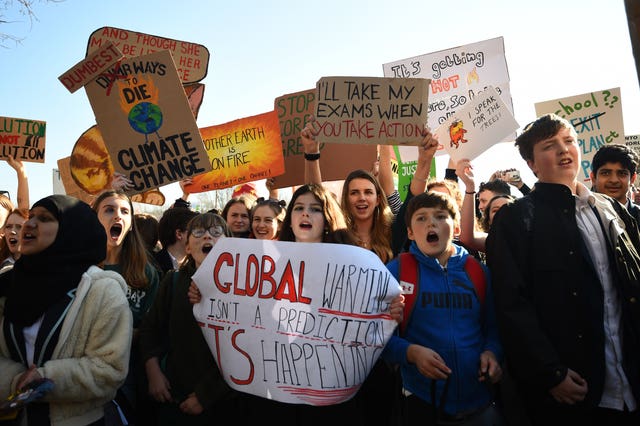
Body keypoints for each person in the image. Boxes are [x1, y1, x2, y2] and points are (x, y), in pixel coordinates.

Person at [486, 113, 640, 425]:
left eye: (568, 140)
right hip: (574, 388)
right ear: (532, 163)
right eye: (549, 145)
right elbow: (511, 305)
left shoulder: (607, 208)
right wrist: (549, 373)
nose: (562, 149)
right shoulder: (515, 218)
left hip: (628, 379)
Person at [0, 194, 132, 425]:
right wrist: (15, 380)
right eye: (30, 216)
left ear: (70, 230)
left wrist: (47, 378)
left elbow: (109, 369)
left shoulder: (102, 291)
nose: (29, 224)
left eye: (44, 218)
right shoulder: (6, 284)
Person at [382, 191, 503, 424]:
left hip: (480, 403)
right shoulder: (396, 272)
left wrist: (493, 353)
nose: (431, 223)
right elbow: (377, 334)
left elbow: (494, 328)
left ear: (456, 228)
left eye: (440, 216)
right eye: (421, 218)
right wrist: (410, 353)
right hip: (423, 401)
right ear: (409, 232)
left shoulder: (478, 272)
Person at [138, 212, 244, 425]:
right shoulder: (173, 281)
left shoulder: (243, 290)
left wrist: (207, 395)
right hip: (174, 397)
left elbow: (245, 351)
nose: (207, 237)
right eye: (199, 232)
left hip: (222, 405)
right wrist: (153, 371)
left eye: (216, 232)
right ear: (187, 247)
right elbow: (150, 330)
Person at [92, 190, 161, 426]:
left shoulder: (146, 272)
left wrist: (127, 334)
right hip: (84, 370)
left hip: (127, 373)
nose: (117, 216)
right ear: (94, 219)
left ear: (131, 223)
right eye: (109, 210)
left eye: (124, 211)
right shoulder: (79, 267)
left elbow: (152, 327)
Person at [590, 143, 640, 224]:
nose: (614, 180)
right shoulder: (583, 220)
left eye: (622, 173)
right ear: (593, 178)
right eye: (605, 173)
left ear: (632, 179)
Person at [154, 207, 198, 275]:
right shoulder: (154, 267)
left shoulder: (197, 264)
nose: (202, 237)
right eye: (197, 232)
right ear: (179, 234)